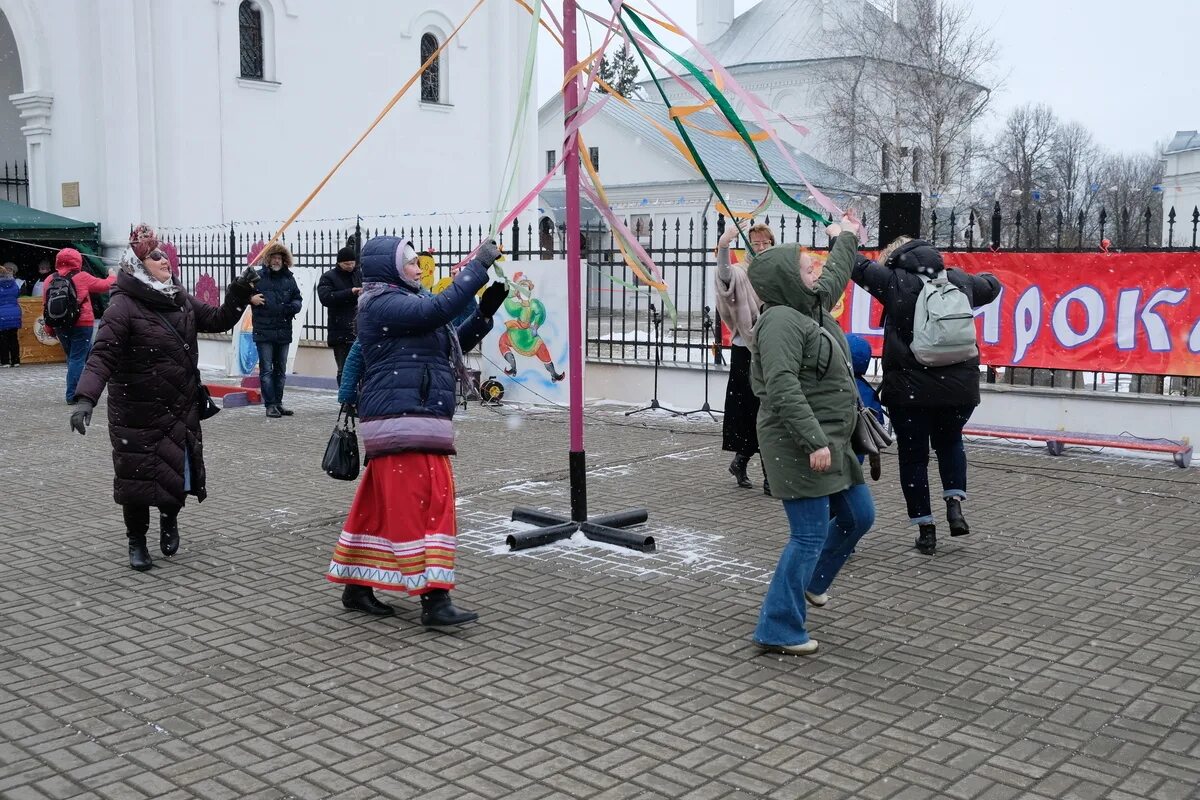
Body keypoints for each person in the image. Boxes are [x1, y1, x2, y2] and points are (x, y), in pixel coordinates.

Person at [326, 236, 509, 629]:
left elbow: (446, 344)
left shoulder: (407, 304)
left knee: (379, 506)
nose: (417, 268)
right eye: (409, 262)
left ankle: (356, 584)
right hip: (402, 416)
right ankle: (434, 598)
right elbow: (439, 309)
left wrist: (483, 315)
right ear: (389, 268)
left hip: (412, 413)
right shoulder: (382, 302)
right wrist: (477, 267)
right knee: (428, 503)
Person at [68, 225, 260, 571]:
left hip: (178, 405)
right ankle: (136, 541)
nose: (164, 261)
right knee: (137, 478)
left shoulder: (179, 297)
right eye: (155, 256)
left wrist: (239, 291)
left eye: (165, 255)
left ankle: (170, 520)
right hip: (136, 409)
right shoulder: (122, 307)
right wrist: (85, 399)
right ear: (138, 264)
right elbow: (102, 356)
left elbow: (217, 319)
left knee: (176, 470)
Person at [748, 216, 875, 656]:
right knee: (807, 536)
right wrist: (813, 441)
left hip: (831, 439)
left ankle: (811, 582)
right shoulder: (781, 320)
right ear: (787, 280)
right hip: (798, 442)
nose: (817, 272)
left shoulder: (811, 304)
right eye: (807, 268)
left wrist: (845, 237)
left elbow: (837, 272)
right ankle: (778, 626)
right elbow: (782, 388)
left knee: (859, 516)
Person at [851, 238, 1001, 555]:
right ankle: (955, 504)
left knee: (914, 458)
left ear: (895, 259)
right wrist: (983, 276)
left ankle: (926, 530)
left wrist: (841, 234)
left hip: (910, 391)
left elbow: (855, 266)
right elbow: (993, 285)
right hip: (959, 388)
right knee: (950, 443)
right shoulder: (958, 279)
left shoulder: (893, 281)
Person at [714, 221, 774, 493]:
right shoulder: (741, 272)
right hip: (746, 351)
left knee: (770, 410)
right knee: (752, 410)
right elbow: (724, 276)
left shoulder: (777, 271)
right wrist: (724, 245)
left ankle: (743, 462)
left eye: (765, 242)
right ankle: (767, 474)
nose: (760, 247)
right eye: (755, 242)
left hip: (773, 348)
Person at [42, 248, 118, 403]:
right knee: (77, 358)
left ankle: (94, 380)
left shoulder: (50, 279)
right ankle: (73, 394)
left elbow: (46, 305)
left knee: (75, 356)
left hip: (59, 323)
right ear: (78, 261)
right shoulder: (82, 276)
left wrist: (49, 327)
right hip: (82, 322)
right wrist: (112, 275)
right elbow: (105, 286)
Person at [251, 242, 303, 418]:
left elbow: (298, 297)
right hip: (263, 330)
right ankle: (270, 404)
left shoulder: (289, 278)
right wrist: (251, 299)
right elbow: (237, 291)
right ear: (268, 259)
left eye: (279, 258)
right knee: (266, 370)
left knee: (280, 370)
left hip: (283, 329)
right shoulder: (257, 277)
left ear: (284, 260)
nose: (276, 261)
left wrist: (293, 307)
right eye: (273, 257)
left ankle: (278, 403)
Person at [317, 244, 361, 385]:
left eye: (352, 263)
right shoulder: (328, 277)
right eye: (346, 264)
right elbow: (326, 297)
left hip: (360, 328)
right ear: (339, 263)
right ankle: (346, 402)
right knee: (344, 369)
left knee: (361, 368)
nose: (350, 266)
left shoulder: (359, 274)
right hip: (340, 330)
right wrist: (350, 292)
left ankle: (358, 399)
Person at [847, 332, 884, 480]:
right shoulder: (867, 390)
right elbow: (876, 422)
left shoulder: (836, 383)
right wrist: (875, 454)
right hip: (859, 445)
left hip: (836, 444)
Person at [0, 264, 21, 366]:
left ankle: (5, 361)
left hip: (2, 315)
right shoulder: (14, 284)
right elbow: (17, 294)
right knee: (13, 338)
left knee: (3, 339)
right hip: (14, 314)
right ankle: (16, 361)